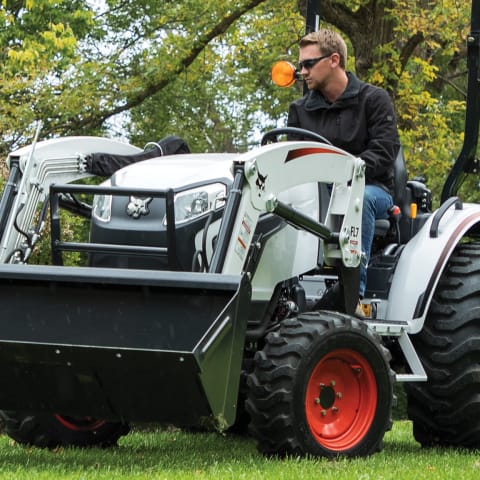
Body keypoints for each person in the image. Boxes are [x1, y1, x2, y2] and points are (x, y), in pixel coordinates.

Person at [287, 29, 400, 316]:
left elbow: (384, 153)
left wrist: (344, 174)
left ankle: (352, 302)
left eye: (308, 64)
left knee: (353, 200)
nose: (302, 71)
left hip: (372, 189)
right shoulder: (300, 110)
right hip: (317, 190)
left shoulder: (374, 99)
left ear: (334, 60)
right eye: (301, 65)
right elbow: (293, 159)